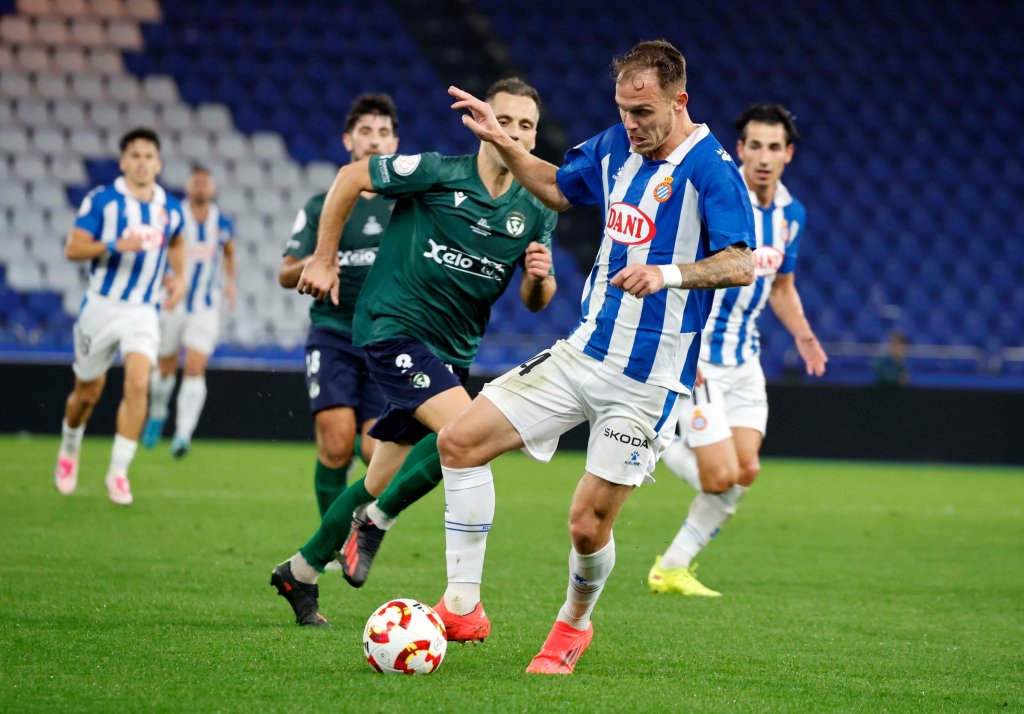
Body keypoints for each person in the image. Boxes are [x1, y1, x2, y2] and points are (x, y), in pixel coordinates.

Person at [434, 39, 756, 674]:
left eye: (644, 112)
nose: (631, 124)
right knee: (460, 441)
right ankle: (462, 605)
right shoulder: (614, 146)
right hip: (582, 353)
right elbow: (555, 187)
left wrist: (668, 275)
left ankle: (572, 625)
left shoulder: (712, 168)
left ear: (679, 100)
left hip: (649, 379)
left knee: (586, 526)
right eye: (623, 109)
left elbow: (741, 260)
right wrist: (503, 141)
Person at [268, 78, 559, 626]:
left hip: (453, 352)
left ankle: (300, 572)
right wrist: (325, 257)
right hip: (393, 329)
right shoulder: (438, 171)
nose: (513, 132)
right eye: (505, 120)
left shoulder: (538, 205)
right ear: (480, 123)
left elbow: (535, 299)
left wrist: (540, 282)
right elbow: (351, 175)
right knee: (474, 434)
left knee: (379, 477)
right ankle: (384, 530)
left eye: (526, 125)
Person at [651, 103, 828, 597]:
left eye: (774, 147)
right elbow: (685, 269)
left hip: (745, 361)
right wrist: (687, 348)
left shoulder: (793, 214)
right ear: (740, 150)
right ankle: (657, 443)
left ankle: (671, 567)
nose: (764, 157)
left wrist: (804, 334)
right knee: (719, 477)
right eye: (755, 146)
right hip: (702, 357)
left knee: (744, 471)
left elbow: (782, 286)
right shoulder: (722, 201)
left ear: (788, 153)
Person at [278, 94, 399, 518]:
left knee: (372, 450)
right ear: (348, 140)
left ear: (394, 144)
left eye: (383, 132)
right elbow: (285, 273)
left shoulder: (407, 203)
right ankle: (330, 542)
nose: (374, 140)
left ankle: (364, 527)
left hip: (385, 337)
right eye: (366, 131)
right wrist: (318, 261)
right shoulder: (321, 205)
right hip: (332, 333)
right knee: (334, 444)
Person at [54, 127, 185, 506]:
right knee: (86, 395)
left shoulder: (169, 209)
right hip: (100, 308)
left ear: (158, 164)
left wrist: (180, 279)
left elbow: (177, 240)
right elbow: (73, 248)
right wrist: (114, 244)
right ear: (123, 162)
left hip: (142, 311)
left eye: (149, 156)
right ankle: (69, 445)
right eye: (136, 155)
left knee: (139, 382)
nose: (142, 162)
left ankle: (118, 471)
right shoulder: (103, 201)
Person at [141, 165, 236, 457]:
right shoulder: (172, 216)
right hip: (173, 301)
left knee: (195, 368)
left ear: (212, 188)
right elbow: (154, 249)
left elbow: (229, 251)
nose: (201, 187)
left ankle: (183, 435)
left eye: (205, 182)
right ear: (188, 186)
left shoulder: (221, 221)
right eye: (196, 182)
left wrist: (229, 282)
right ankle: (157, 413)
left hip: (205, 307)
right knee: (166, 366)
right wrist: (165, 278)